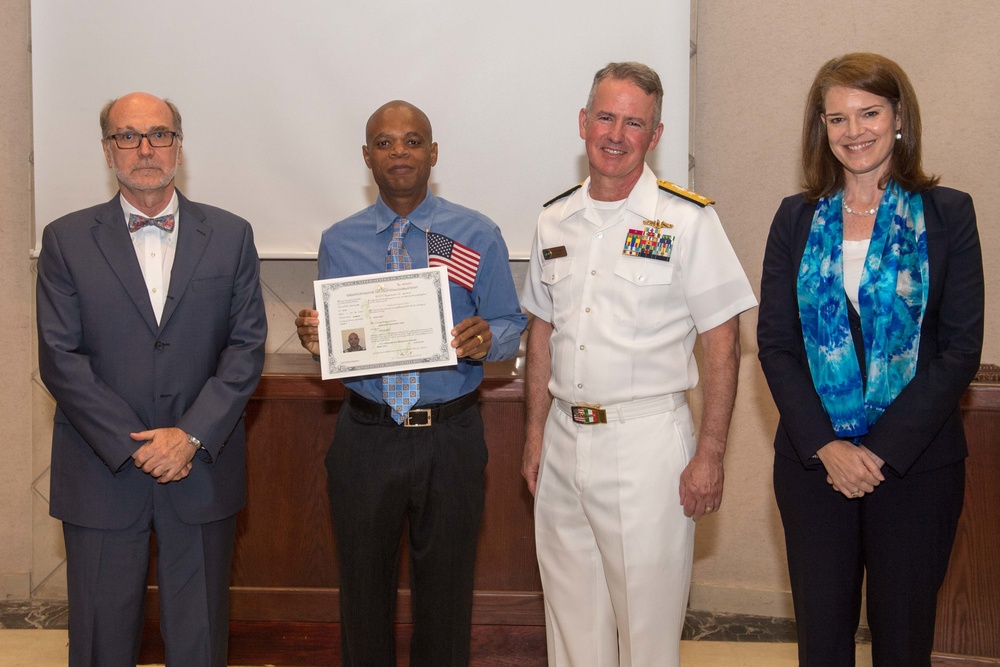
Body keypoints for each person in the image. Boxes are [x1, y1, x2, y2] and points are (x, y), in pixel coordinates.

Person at [520, 62, 757, 667]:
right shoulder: (554, 218)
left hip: (647, 443)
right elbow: (542, 328)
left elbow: (723, 341)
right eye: (606, 116)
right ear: (583, 122)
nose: (616, 134)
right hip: (563, 440)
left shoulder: (687, 220)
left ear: (654, 136)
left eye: (635, 122)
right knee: (571, 627)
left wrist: (710, 454)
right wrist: (533, 435)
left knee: (646, 636)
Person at [757, 53, 984, 666]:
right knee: (822, 642)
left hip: (916, 469)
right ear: (821, 130)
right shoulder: (795, 217)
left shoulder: (947, 215)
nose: (854, 131)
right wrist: (828, 447)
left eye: (869, 113)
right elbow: (775, 345)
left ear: (899, 117)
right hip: (813, 468)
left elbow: (961, 349)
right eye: (837, 118)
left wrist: (877, 452)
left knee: (904, 643)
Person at [35, 92, 267, 667]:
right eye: (128, 136)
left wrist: (187, 436)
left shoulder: (232, 235)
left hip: (201, 468)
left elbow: (245, 348)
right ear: (107, 149)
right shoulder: (65, 239)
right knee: (99, 642)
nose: (145, 149)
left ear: (179, 147)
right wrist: (137, 446)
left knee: (200, 642)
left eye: (159, 135)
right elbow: (61, 357)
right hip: (101, 471)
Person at [295, 100, 527, 666]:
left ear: (433, 152)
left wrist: (486, 340)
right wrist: (317, 338)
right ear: (367, 156)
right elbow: (341, 338)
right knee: (363, 595)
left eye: (413, 140)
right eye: (385, 142)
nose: (399, 152)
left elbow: (508, 322)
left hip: (449, 437)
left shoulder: (469, 234)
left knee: (446, 600)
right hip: (366, 437)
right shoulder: (340, 241)